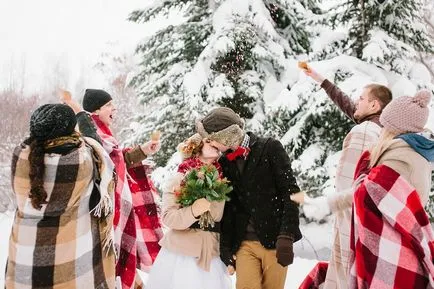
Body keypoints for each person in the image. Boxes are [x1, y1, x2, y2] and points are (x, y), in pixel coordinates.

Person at [293, 66, 392, 289]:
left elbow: (350, 183)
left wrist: (337, 210)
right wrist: (320, 79)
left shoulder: (364, 132)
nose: (356, 102)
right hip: (370, 225)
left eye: (361, 98)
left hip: (353, 220)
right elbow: (347, 105)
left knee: (344, 273)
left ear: (374, 105)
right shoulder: (382, 130)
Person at [4, 104, 116, 288]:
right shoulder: (82, 161)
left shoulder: (20, 157)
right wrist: (80, 113)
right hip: (70, 267)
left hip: (25, 266)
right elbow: (95, 142)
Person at [62, 89, 163, 289]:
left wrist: (143, 150)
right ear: (96, 110)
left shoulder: (104, 134)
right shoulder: (89, 134)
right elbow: (102, 154)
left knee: (123, 267)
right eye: (109, 105)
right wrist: (77, 110)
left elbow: (117, 160)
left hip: (116, 210)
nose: (114, 108)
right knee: (114, 266)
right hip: (105, 213)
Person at [193, 107, 301, 289]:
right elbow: (229, 207)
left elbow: (292, 193)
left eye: (211, 139)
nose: (209, 143)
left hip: (274, 240)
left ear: (225, 136)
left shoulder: (270, 148)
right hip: (244, 244)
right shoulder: (224, 163)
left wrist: (286, 236)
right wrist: (225, 247)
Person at [349, 89, 434, 288]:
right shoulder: (409, 153)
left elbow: (369, 196)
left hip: (392, 247)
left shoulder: (399, 158)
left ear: (395, 127)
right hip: (397, 243)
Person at [145, 133, 232, 289]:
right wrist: (193, 211)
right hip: (182, 255)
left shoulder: (223, 179)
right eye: (208, 140)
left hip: (212, 256)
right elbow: (168, 217)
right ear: (197, 147)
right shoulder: (179, 178)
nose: (214, 144)